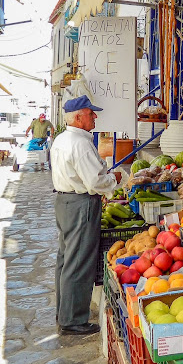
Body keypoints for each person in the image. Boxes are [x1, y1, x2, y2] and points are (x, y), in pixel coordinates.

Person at [51, 95, 122, 336]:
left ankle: (64, 311)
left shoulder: (62, 139)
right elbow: (95, 181)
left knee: (65, 259)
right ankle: (73, 320)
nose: (95, 117)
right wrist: (115, 180)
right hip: (81, 204)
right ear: (79, 117)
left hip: (64, 201)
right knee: (79, 262)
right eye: (91, 114)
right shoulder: (80, 144)